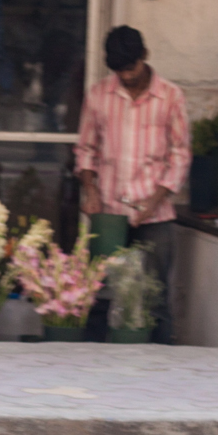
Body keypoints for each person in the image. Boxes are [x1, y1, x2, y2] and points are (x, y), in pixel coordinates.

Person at [75, 26, 191, 344]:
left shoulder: (170, 96)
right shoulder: (98, 95)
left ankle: (159, 373)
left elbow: (180, 155)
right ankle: (89, 367)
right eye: (118, 70)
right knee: (99, 294)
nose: (125, 76)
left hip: (155, 216)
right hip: (109, 213)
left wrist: (153, 202)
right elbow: (86, 149)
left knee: (154, 297)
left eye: (131, 68)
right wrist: (91, 191)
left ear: (145, 56)